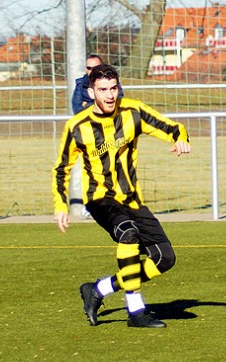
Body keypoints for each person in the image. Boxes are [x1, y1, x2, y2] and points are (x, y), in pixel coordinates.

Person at [52, 64, 191, 328]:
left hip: (131, 198)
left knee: (164, 258)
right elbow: (62, 168)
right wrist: (61, 205)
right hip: (100, 199)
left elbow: (171, 127)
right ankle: (136, 312)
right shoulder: (77, 126)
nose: (109, 95)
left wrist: (181, 138)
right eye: (102, 89)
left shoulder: (133, 111)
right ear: (91, 92)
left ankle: (99, 289)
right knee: (128, 234)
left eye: (113, 88)